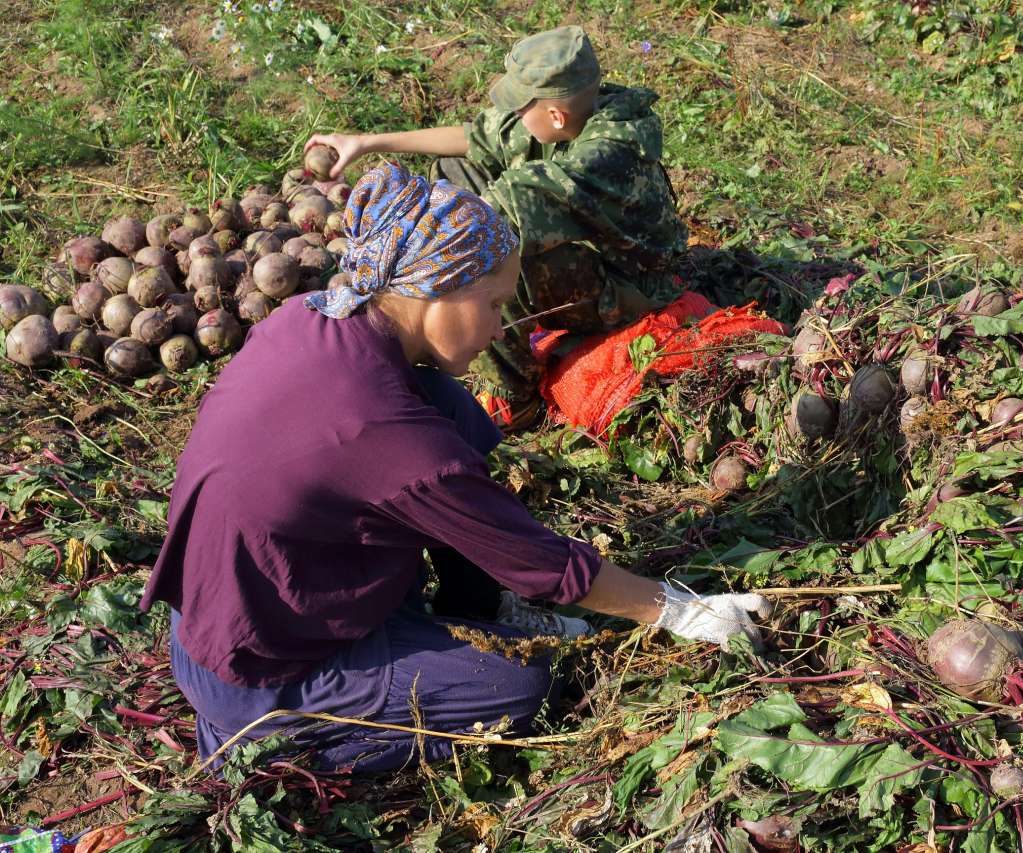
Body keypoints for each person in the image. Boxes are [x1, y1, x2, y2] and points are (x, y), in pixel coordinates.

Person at [139, 163, 768, 772]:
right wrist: (675, 609)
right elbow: (539, 562)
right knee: (519, 686)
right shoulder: (381, 429)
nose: (500, 328)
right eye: (494, 305)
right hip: (261, 665)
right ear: (434, 291)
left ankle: (476, 603)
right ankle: (267, 741)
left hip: (253, 597)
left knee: (447, 400)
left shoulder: (312, 317)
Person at [305, 25, 688, 428]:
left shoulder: (607, 154)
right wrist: (367, 142)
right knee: (456, 171)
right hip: (588, 244)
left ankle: (514, 396)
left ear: (555, 115)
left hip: (632, 284)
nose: (516, 117)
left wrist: (393, 269)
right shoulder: (570, 117)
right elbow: (474, 140)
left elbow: (485, 223)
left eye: (522, 109)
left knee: (496, 259)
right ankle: (461, 320)